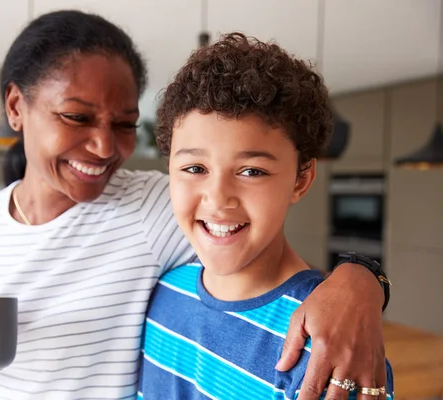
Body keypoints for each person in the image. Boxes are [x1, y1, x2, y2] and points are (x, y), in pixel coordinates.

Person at [0, 10, 390, 400]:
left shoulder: (152, 205)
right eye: (76, 117)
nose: (102, 147)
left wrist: (362, 279)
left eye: (123, 125)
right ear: (15, 107)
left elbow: (250, 239)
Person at [137, 33, 394, 400]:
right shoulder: (164, 292)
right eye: (194, 168)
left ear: (300, 179)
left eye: (251, 171)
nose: (218, 198)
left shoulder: (328, 345)